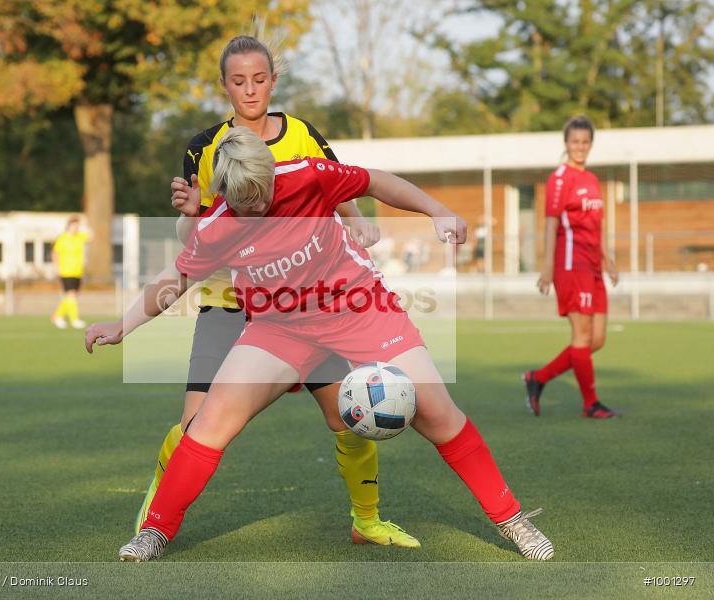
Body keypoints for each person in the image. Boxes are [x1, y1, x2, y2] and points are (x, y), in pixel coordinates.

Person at [87, 127, 555, 562]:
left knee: (437, 411)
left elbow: (376, 181)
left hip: (359, 307)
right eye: (243, 203)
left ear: (271, 174)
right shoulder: (217, 225)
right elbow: (178, 277)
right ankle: (155, 530)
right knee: (211, 420)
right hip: (279, 326)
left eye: (261, 197)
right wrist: (124, 324)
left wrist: (437, 210)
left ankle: (512, 520)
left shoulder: (308, 176)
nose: (255, 209)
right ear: (225, 194)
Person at [132, 35, 418, 548]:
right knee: (197, 423)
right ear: (224, 86)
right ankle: (159, 503)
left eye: (259, 80)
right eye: (238, 81)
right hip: (229, 302)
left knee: (348, 414)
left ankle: (366, 520)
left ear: (273, 81)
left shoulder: (303, 134)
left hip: (305, 307)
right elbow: (197, 237)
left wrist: (358, 225)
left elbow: (339, 185)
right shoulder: (204, 147)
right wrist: (190, 211)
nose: (250, 90)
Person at [523, 116, 619, 418]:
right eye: (575, 141)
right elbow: (551, 223)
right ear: (566, 143)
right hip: (570, 263)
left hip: (593, 265)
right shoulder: (560, 178)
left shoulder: (591, 179)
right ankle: (590, 404)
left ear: (591, 144)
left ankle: (537, 378)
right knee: (582, 335)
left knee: (597, 340)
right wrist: (548, 266)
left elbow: (596, 225)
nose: (580, 147)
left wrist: (608, 258)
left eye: (585, 142)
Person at [51, 216, 91, 329]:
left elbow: (92, 236)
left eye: (78, 225)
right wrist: (57, 267)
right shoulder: (62, 238)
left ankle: (57, 316)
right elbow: (55, 253)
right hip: (66, 271)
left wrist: (86, 227)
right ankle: (74, 320)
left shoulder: (80, 237)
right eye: (74, 225)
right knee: (71, 295)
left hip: (78, 271)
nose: (76, 227)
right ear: (68, 226)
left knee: (72, 296)